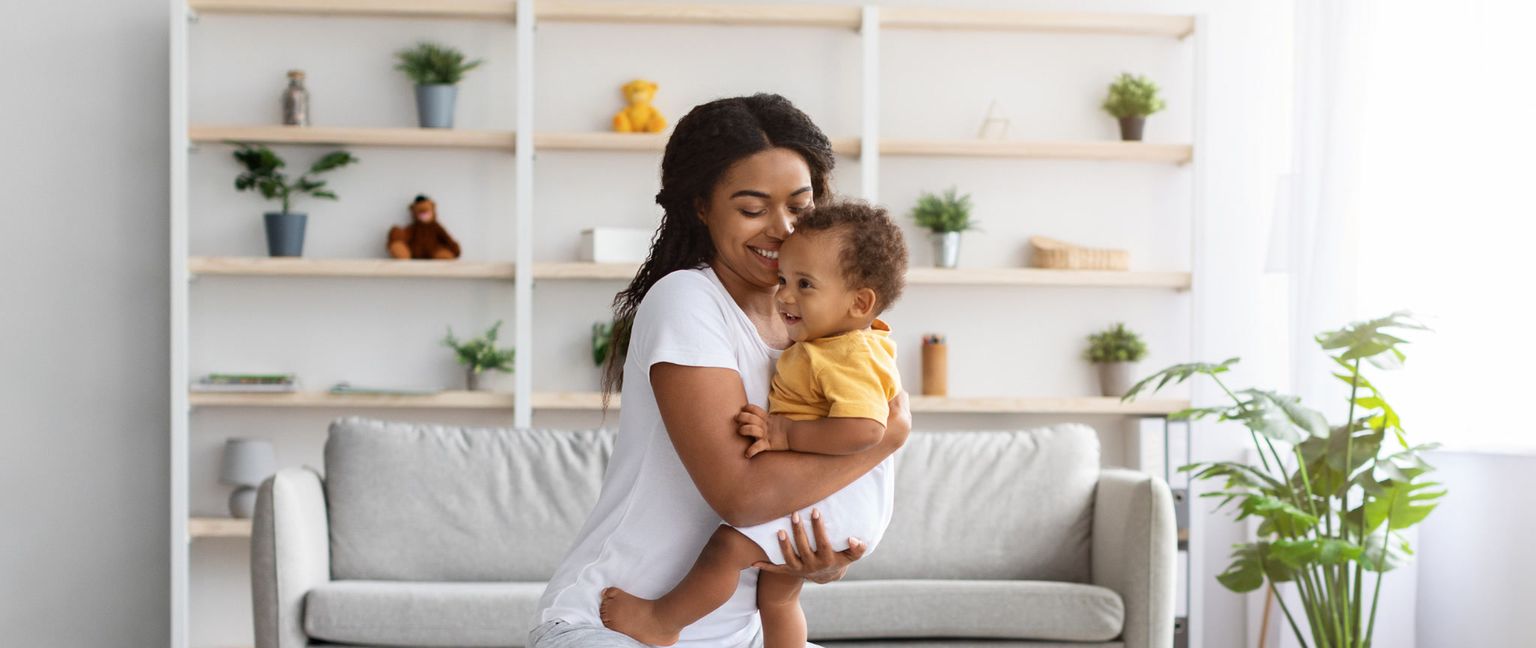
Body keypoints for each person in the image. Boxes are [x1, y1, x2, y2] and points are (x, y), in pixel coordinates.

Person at [531, 93, 911, 648]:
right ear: (701, 207)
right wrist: (887, 439)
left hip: (741, 633)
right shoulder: (687, 301)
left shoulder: (818, 329)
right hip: (612, 622)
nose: (781, 230)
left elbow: (800, 496)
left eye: (799, 208)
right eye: (752, 209)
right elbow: (742, 497)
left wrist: (818, 558)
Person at [598, 199, 909, 648]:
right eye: (784, 279)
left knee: (728, 549)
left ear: (859, 302)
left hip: (841, 497)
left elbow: (866, 431)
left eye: (804, 284)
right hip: (839, 495)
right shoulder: (826, 344)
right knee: (779, 598)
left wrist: (784, 433)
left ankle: (663, 621)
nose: (784, 295)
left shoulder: (850, 353)